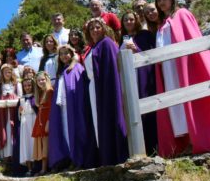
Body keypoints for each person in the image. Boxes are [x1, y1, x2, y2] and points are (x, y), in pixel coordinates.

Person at [154, 0, 210, 157]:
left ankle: (198, 138)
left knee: (190, 100)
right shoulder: (162, 23)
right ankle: (188, 141)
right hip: (169, 69)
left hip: (183, 65)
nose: (162, 2)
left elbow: (192, 37)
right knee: (177, 106)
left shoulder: (182, 14)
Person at [84, 18, 128, 166]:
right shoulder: (94, 47)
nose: (95, 30)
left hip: (105, 87)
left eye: (97, 27)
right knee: (99, 123)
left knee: (110, 118)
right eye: (91, 29)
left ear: (103, 28)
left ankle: (115, 155)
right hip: (94, 88)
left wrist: (108, 89)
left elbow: (111, 70)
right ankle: (106, 156)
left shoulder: (107, 43)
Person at [48, 45, 98, 170]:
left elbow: (79, 89)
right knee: (66, 133)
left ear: (71, 53)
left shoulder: (77, 68)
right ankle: (70, 158)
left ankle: (79, 159)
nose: (64, 56)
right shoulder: (62, 71)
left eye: (66, 53)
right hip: (64, 107)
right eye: (61, 54)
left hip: (74, 107)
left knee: (76, 131)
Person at [120, 11, 157, 155]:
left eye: (131, 19)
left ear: (136, 20)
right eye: (125, 20)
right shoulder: (123, 39)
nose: (128, 22)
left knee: (147, 113)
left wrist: (137, 50)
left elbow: (150, 55)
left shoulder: (145, 35)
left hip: (144, 78)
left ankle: (153, 147)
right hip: (129, 82)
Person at [0, 64, 22, 161]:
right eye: (5, 72)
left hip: (14, 113)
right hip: (3, 114)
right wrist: (1, 103)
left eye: (9, 72)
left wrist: (12, 101)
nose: (7, 74)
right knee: (4, 131)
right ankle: (5, 156)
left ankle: (14, 154)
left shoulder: (17, 85)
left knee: (12, 131)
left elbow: (20, 98)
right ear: (1, 73)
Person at [32, 72, 54, 175]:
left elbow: (51, 108)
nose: (41, 82)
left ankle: (45, 169)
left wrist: (48, 122)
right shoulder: (41, 93)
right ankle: (43, 168)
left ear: (46, 79)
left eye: (42, 79)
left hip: (46, 120)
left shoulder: (49, 91)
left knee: (46, 144)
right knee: (41, 144)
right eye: (38, 80)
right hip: (40, 120)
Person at [17, 78, 37, 176]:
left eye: (29, 85)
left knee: (34, 143)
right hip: (25, 123)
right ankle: (29, 168)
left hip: (34, 121)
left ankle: (36, 167)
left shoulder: (35, 97)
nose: (27, 88)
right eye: (25, 86)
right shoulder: (21, 99)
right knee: (26, 145)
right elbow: (18, 115)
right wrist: (19, 112)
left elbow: (37, 110)